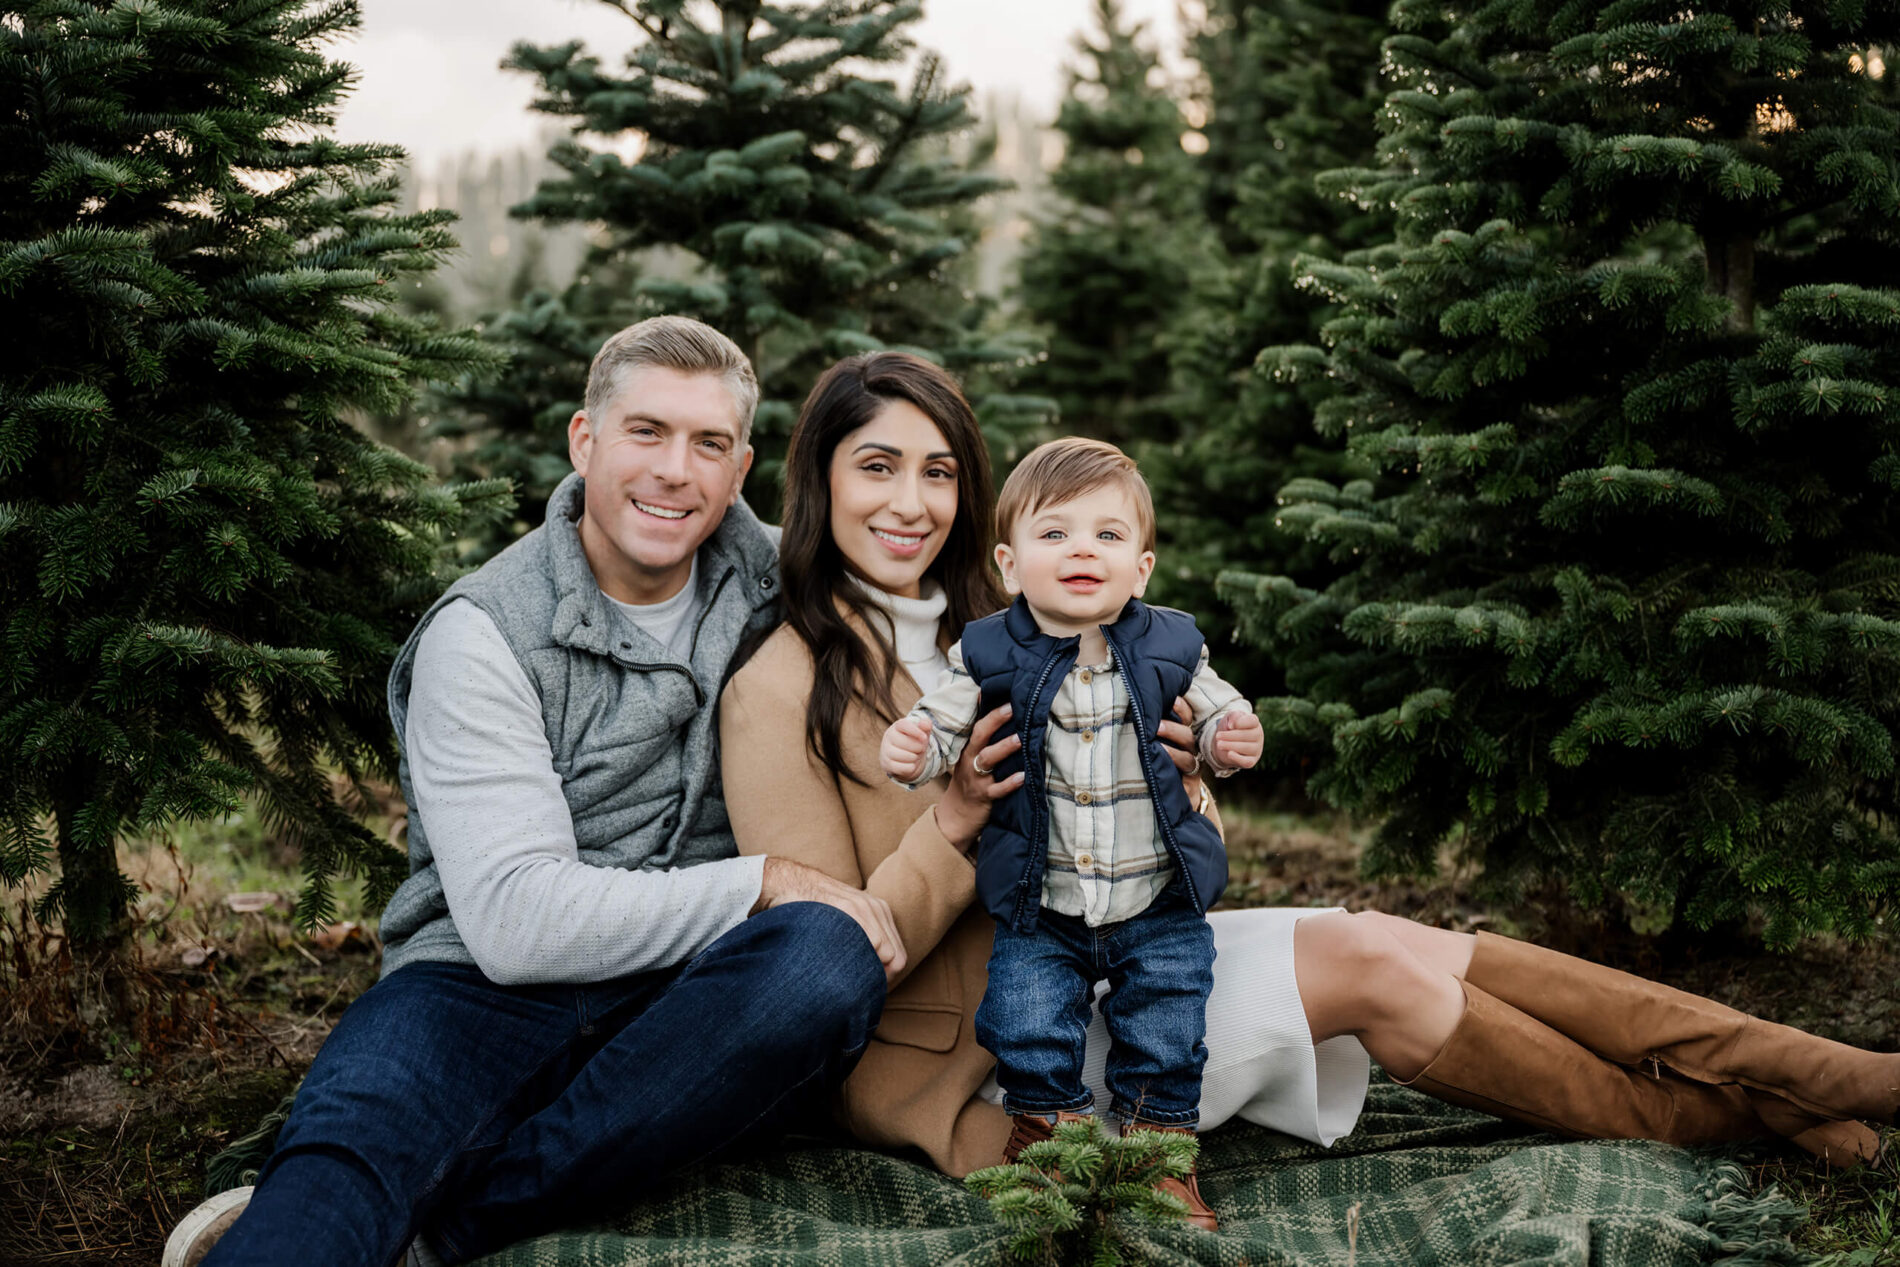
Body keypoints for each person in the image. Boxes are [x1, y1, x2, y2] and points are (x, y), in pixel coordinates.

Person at [718, 351, 1895, 1224]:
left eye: (937, 470)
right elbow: (821, 966)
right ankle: (1749, 1109)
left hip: (1127, 947)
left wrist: (1188, 781)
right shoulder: (779, 684)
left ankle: (1808, 1080)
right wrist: (959, 820)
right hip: (998, 1043)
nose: (910, 501)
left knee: (1383, 932)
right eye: (876, 467)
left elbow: (1167, 810)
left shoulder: (1022, 621)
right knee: (1371, 963)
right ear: (820, 483)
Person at [164, 317, 908, 1267]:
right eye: (646, 432)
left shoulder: (782, 573)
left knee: (822, 960)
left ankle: (452, 1232)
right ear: (583, 440)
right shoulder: (483, 631)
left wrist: (1146, 687)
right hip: (473, 985)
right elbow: (516, 922)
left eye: (708, 444)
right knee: (348, 1154)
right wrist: (760, 880)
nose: (676, 470)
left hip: (691, 992)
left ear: (741, 466)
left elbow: (983, 618)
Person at [877, 437, 1264, 1229]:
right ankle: (1051, 1143)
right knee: (1024, 1019)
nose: (1082, 549)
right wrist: (915, 747)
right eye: (1054, 533)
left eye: (1107, 535)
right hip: (1039, 900)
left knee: (1166, 1025)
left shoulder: (1171, 644)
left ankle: (1157, 1157)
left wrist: (1230, 739)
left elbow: (1220, 708)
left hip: (1156, 895)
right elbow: (944, 724)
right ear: (1011, 565)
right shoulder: (986, 649)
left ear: (1142, 568)